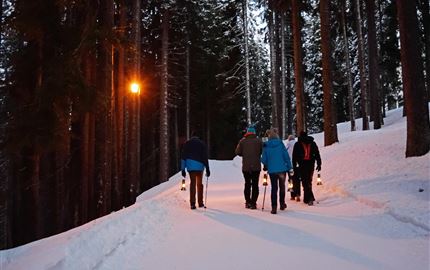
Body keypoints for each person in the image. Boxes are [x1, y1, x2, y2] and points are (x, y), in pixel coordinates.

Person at [261, 128, 293, 214]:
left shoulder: (266, 146)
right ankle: (282, 204)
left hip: (272, 171)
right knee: (282, 187)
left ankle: (274, 207)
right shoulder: (281, 144)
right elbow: (286, 156)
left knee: (274, 188)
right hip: (282, 170)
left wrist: (267, 164)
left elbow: (263, 160)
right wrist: (289, 167)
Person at [235, 125, 263, 209]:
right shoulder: (259, 141)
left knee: (247, 184)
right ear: (254, 133)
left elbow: (237, 152)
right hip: (256, 166)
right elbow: (262, 151)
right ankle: (254, 202)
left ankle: (248, 202)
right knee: (255, 184)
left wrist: (244, 154)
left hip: (246, 167)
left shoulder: (242, 141)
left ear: (247, 132)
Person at [181, 131, 210, 209]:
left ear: (191, 136)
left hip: (190, 167)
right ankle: (200, 203)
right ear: (198, 137)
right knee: (199, 184)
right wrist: (207, 168)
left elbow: (183, 157)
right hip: (200, 167)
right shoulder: (202, 144)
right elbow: (205, 157)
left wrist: (183, 169)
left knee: (192, 183)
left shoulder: (187, 144)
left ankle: (192, 203)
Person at [292, 131, 322, 206]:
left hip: (302, 164)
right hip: (311, 164)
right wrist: (319, 163)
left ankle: (309, 198)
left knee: (305, 181)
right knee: (308, 180)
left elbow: (294, 156)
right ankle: (307, 198)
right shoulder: (312, 142)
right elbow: (317, 153)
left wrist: (294, 166)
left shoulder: (298, 144)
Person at [286, 135, 301, 202]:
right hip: (297, 165)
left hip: (290, 166)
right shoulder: (298, 144)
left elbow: (285, 155)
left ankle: (292, 195)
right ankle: (298, 194)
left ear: (289, 139)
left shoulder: (287, 145)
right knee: (297, 180)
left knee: (291, 180)